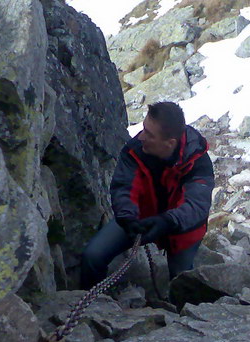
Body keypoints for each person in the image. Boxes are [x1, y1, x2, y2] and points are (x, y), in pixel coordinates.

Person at [79, 101, 214, 289]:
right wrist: (127, 216)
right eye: (143, 129)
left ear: (170, 143)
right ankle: (89, 305)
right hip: (140, 218)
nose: (141, 136)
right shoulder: (135, 150)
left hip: (182, 229)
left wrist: (167, 222)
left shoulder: (197, 160)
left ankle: (184, 315)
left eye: (149, 134)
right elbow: (124, 187)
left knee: (183, 283)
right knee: (93, 255)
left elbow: (196, 207)